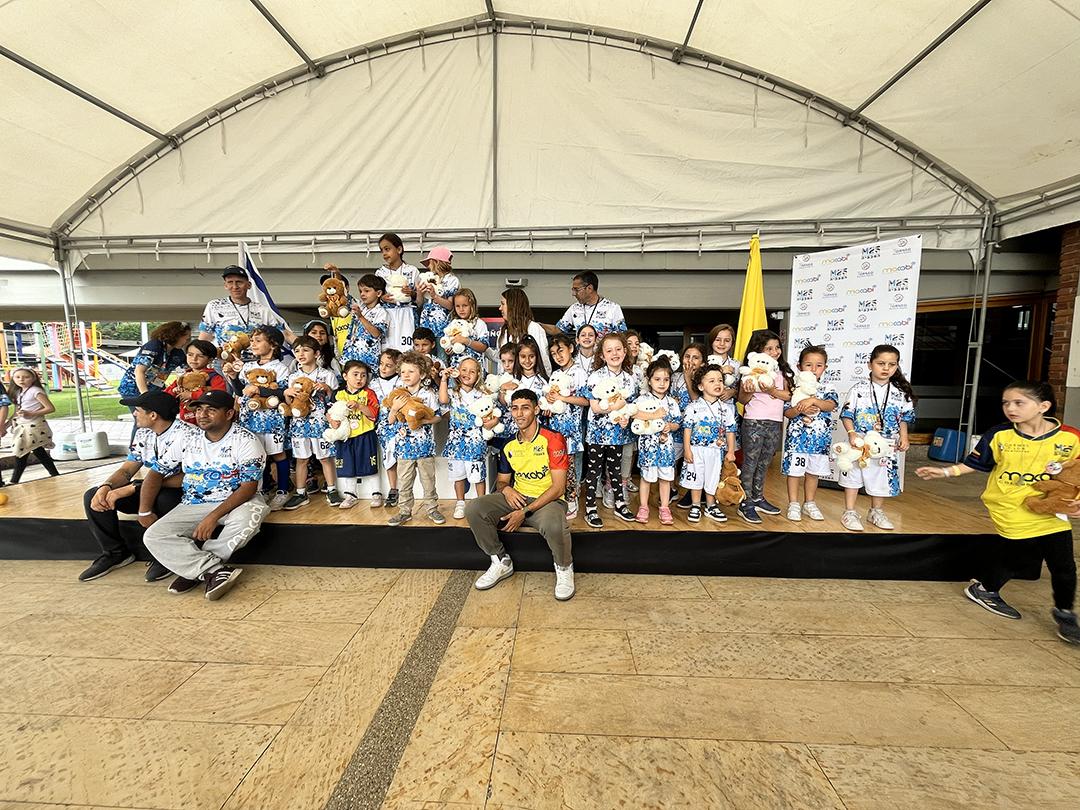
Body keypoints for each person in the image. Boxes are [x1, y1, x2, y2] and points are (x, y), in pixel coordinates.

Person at [916, 381, 1080, 644]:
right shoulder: (999, 435)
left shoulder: (1070, 437)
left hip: (1050, 508)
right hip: (1009, 505)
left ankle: (1065, 613)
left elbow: (1075, 473)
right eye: (1006, 403)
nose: (1010, 408)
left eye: (1018, 403)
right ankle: (985, 589)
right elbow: (976, 463)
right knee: (1022, 554)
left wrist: (1075, 500)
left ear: (1043, 406)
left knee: (1064, 564)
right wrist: (945, 472)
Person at [140, 389, 270, 600]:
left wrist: (212, 517)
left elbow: (248, 487)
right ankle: (212, 571)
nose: (202, 414)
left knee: (251, 516)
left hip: (237, 500)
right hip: (193, 503)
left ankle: (197, 571)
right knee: (153, 536)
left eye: (211, 410)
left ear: (229, 414)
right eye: (199, 409)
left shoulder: (246, 440)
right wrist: (144, 510)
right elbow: (155, 473)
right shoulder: (188, 438)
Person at [465, 389, 575, 601]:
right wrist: (507, 489)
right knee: (475, 509)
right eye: (515, 408)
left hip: (549, 500)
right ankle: (501, 561)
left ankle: (564, 567)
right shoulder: (509, 444)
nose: (519, 413)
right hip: (518, 497)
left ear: (536, 409)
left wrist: (524, 512)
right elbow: (502, 481)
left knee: (554, 526)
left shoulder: (553, 439)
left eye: (525, 408)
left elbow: (559, 488)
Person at [79, 391, 199, 582]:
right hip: (149, 489)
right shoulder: (143, 433)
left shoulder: (189, 434)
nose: (134, 413)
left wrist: (136, 487)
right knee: (93, 495)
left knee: (164, 498)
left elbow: (192, 476)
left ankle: (165, 555)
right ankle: (115, 553)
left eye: (138, 410)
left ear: (153, 415)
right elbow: (127, 469)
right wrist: (106, 486)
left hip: (183, 493)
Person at [838, 343, 916, 532]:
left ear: (897, 366)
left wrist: (904, 436)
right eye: (881, 363)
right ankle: (849, 512)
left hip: (886, 444)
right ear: (870, 364)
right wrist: (851, 433)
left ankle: (876, 512)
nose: (886, 368)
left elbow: (904, 417)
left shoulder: (900, 393)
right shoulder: (858, 389)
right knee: (853, 476)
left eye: (891, 364)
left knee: (881, 478)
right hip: (860, 442)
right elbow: (847, 414)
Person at [223, 325, 291, 509]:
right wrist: (234, 377)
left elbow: (284, 392)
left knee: (277, 453)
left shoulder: (281, 368)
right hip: (249, 418)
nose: (253, 344)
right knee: (257, 454)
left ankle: (283, 490)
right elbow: (241, 392)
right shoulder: (248, 366)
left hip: (271, 419)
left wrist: (260, 390)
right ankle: (265, 488)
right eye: (252, 340)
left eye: (258, 341)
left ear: (273, 344)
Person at [736, 329, 793, 524]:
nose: (775, 352)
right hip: (754, 421)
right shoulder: (751, 370)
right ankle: (745, 502)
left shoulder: (783, 371)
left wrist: (771, 390)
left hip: (775, 422)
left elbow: (789, 395)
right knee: (750, 462)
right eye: (769, 348)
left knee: (765, 462)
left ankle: (758, 497)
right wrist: (748, 390)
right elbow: (742, 399)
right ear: (757, 350)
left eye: (777, 347)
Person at [582, 332, 638, 527]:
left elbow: (630, 406)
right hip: (597, 433)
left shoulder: (629, 379)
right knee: (594, 470)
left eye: (618, 349)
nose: (614, 353)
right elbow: (595, 407)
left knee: (616, 469)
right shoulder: (595, 377)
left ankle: (620, 503)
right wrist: (618, 404)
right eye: (609, 350)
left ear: (625, 351)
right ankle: (590, 508)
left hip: (618, 433)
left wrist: (625, 417)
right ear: (602, 355)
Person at [383, 352, 445, 527]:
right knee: (404, 481)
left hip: (424, 447)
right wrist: (394, 408)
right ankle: (404, 511)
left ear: (422, 374)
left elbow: (438, 417)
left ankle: (432, 508)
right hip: (404, 448)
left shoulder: (428, 394)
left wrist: (423, 421)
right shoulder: (397, 395)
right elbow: (390, 421)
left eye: (411, 371)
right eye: (403, 372)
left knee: (428, 480)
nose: (406, 375)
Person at [282, 336, 341, 509]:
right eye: (297, 351)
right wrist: (287, 393)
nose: (301, 354)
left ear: (316, 354)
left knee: (325, 457)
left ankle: (332, 490)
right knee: (301, 459)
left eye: (306, 350)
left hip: (320, 423)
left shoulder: (327, 375)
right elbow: (289, 403)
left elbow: (335, 401)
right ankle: (301, 493)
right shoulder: (293, 376)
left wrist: (327, 389)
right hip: (300, 425)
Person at [782, 345, 838, 522]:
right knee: (794, 473)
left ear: (825, 367)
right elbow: (787, 412)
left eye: (819, 365)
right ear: (799, 367)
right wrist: (799, 408)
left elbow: (831, 405)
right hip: (796, 441)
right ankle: (793, 503)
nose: (813, 369)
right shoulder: (794, 388)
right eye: (808, 365)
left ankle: (809, 503)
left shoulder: (827, 387)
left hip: (819, 441)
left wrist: (813, 400)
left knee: (813, 473)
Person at [681, 362, 739, 523]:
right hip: (696, 449)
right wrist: (687, 449)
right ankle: (695, 505)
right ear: (701, 386)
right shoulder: (693, 407)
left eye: (720, 380)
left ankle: (711, 505)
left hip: (715, 451)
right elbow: (687, 429)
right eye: (711, 381)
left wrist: (731, 451)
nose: (717, 384)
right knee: (696, 477)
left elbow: (730, 431)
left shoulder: (726, 409)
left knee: (713, 478)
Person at [546, 334, 589, 518]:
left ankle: (572, 500)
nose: (558, 356)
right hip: (555, 429)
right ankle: (560, 498)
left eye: (561, 351)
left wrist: (562, 398)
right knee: (557, 465)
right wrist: (548, 404)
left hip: (572, 430)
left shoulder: (579, 372)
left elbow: (586, 401)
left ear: (571, 348)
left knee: (571, 467)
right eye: (554, 353)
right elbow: (551, 398)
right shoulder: (555, 374)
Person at [439, 357, 488, 519]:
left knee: (478, 476)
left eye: (472, 371)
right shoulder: (453, 393)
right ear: (458, 372)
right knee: (458, 476)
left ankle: (481, 504)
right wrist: (444, 379)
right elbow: (443, 400)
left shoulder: (482, 395)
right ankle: (460, 503)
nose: (467, 373)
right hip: (456, 443)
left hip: (475, 442)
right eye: (464, 370)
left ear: (478, 374)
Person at [635, 359, 682, 525]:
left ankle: (664, 507)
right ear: (649, 380)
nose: (662, 383)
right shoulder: (642, 400)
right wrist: (654, 416)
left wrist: (670, 426)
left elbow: (677, 423)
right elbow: (634, 414)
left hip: (666, 448)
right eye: (657, 379)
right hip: (648, 447)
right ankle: (643, 507)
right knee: (646, 478)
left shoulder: (672, 402)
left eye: (666, 379)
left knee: (666, 478)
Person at [198, 266, 292, 346]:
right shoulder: (214, 306)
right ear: (225, 285)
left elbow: (283, 333)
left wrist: (299, 344)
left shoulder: (262, 310)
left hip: (255, 360)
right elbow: (205, 338)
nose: (235, 286)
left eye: (239, 282)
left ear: (249, 285)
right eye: (230, 282)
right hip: (223, 360)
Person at [329, 360, 380, 509]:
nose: (359, 378)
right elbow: (329, 412)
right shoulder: (338, 394)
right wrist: (332, 421)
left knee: (370, 465)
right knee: (347, 467)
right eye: (355, 374)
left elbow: (373, 413)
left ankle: (376, 493)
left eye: (363, 375)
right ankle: (351, 495)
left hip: (365, 435)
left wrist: (359, 406)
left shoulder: (368, 393)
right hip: (345, 437)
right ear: (345, 376)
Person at [7, 367, 59, 484]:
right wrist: (5, 426)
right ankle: (55, 474)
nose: (21, 380)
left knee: (21, 449)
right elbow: (16, 412)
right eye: (18, 377)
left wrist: (31, 414)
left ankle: (14, 480)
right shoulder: (18, 392)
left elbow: (50, 408)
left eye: (26, 377)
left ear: (33, 378)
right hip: (22, 425)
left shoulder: (36, 391)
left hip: (34, 426)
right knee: (37, 450)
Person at [116, 321, 191, 400]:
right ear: (176, 335)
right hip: (133, 389)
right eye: (186, 337)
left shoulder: (178, 353)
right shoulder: (154, 346)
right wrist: (146, 396)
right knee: (145, 408)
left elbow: (190, 368)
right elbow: (139, 371)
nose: (188, 340)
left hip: (156, 389)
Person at [673, 343, 706, 509]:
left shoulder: (704, 378)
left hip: (695, 428)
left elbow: (696, 400)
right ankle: (672, 489)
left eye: (695, 358)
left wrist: (688, 378)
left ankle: (694, 494)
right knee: (672, 459)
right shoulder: (674, 377)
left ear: (702, 362)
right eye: (687, 356)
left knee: (693, 462)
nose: (690, 361)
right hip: (676, 425)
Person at [164, 339, 228, 425]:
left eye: (200, 356)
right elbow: (165, 395)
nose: (194, 359)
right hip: (184, 421)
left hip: (207, 422)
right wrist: (174, 391)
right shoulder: (184, 376)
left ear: (210, 360)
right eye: (190, 355)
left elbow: (219, 395)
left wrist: (192, 395)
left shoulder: (214, 377)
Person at [376, 232, 420, 352]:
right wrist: (382, 298)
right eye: (381, 250)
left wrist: (412, 293)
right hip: (387, 314)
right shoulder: (380, 272)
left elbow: (420, 299)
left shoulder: (412, 270)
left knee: (407, 350)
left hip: (407, 313)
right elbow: (376, 295)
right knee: (388, 350)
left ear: (399, 249)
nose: (384, 253)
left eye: (387, 249)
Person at [552, 271, 627, 339]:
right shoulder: (574, 308)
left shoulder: (612, 308)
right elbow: (558, 330)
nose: (573, 294)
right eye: (573, 290)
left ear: (590, 288)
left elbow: (622, 335)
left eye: (576, 290)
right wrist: (543, 326)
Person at [372, 348, 403, 508]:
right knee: (389, 459)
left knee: (403, 459)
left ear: (397, 368)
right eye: (381, 364)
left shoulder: (402, 382)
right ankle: (393, 488)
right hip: (383, 428)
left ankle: (406, 489)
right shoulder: (373, 383)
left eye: (388, 365)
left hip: (401, 426)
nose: (383, 368)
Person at [494, 289, 550, 375]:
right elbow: (500, 362)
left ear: (513, 306)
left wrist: (543, 381)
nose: (500, 308)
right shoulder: (503, 331)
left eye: (503, 304)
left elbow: (544, 362)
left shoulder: (534, 328)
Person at [342, 273, 389, 370]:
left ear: (378, 293)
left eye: (366, 291)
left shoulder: (382, 312)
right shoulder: (359, 305)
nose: (362, 294)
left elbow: (376, 333)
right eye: (360, 291)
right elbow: (343, 294)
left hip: (368, 360)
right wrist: (336, 272)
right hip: (351, 356)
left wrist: (360, 317)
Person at [417, 247, 460, 348]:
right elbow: (419, 304)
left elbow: (450, 305)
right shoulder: (428, 278)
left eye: (430, 262)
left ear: (436, 262)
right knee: (425, 357)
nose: (428, 266)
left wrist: (434, 296)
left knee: (441, 357)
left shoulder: (451, 280)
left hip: (443, 328)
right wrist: (419, 292)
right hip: (425, 327)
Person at [444, 288, 491, 369]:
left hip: (475, 369)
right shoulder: (452, 324)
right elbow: (447, 343)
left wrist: (466, 341)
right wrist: (448, 349)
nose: (461, 309)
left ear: (472, 305)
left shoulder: (479, 323)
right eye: (457, 306)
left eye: (465, 305)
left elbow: (483, 347)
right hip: (456, 368)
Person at [705, 323, 740, 403]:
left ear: (732, 343)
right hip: (705, 407)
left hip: (729, 408)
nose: (722, 344)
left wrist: (733, 392)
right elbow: (696, 385)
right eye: (717, 340)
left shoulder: (736, 365)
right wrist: (720, 371)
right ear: (711, 341)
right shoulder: (703, 362)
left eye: (727, 340)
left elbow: (742, 390)